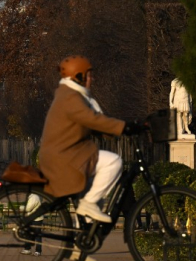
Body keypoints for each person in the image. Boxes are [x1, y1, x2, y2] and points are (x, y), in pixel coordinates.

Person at [39, 56, 143, 225]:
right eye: (89, 75)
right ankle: (88, 205)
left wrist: (114, 130)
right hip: (66, 159)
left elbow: (95, 123)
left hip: (67, 157)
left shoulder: (72, 96)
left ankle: (80, 247)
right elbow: (92, 119)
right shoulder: (71, 97)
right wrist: (125, 127)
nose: (92, 78)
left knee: (91, 213)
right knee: (113, 162)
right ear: (78, 76)